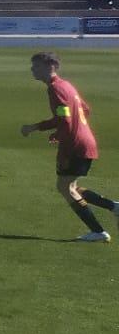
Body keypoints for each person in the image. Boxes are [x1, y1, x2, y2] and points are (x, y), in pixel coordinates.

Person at [21, 53, 119, 241]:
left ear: (50, 66)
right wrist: (54, 128)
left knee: (65, 187)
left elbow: (64, 119)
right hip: (85, 141)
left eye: (36, 66)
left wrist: (61, 141)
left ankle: (98, 232)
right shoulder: (66, 85)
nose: (32, 69)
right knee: (70, 185)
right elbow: (84, 109)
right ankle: (113, 207)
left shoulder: (55, 89)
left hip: (75, 145)